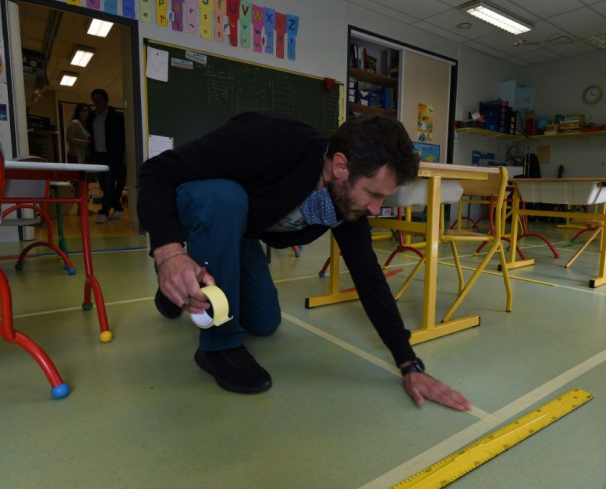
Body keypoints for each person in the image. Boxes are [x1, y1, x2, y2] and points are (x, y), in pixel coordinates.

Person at [137, 111, 471, 411]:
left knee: (265, 323)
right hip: (202, 207)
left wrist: (409, 364)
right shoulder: (269, 138)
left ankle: (182, 286)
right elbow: (156, 172)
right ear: (340, 166)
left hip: (239, 235)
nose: (375, 208)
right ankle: (217, 346)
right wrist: (168, 254)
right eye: (373, 194)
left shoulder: (343, 205)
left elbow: (369, 279)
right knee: (224, 197)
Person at [88, 88, 126, 223]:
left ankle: (103, 212)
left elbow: (121, 138)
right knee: (104, 186)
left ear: (106, 100)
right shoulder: (92, 117)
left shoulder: (116, 117)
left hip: (112, 155)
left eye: (100, 100)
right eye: (94, 100)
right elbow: (91, 137)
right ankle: (118, 207)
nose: (97, 103)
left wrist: (122, 157)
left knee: (109, 184)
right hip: (99, 155)